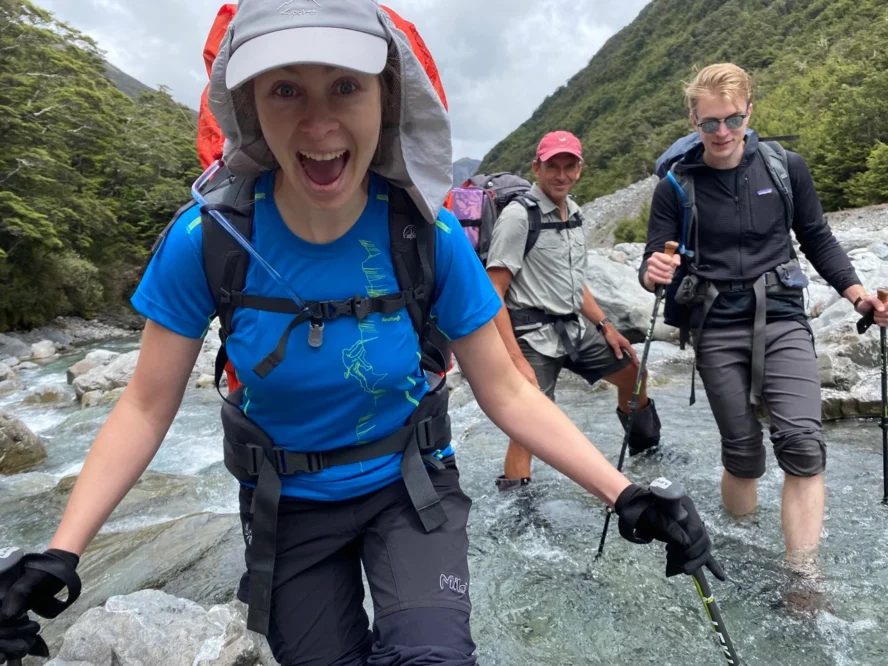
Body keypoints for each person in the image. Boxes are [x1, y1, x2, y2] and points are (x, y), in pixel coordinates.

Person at [0, 3, 723, 665]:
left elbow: (507, 389)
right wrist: (62, 552)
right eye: (285, 89)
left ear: (388, 97)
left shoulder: (428, 236)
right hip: (287, 506)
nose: (318, 125)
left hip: (410, 490)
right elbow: (145, 406)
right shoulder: (209, 240)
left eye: (346, 86)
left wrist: (623, 492)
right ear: (249, 103)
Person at [640, 62, 888, 571]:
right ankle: (744, 550)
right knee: (744, 451)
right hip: (714, 326)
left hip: (782, 317)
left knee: (801, 442)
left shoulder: (784, 167)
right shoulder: (675, 186)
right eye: (710, 123)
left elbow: (816, 236)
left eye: (733, 119)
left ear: (750, 111)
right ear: (693, 121)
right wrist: (654, 269)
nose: (723, 133)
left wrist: (859, 295)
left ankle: (804, 576)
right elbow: (651, 266)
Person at [485, 131, 663, 491]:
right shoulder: (519, 218)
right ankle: (516, 510)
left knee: (634, 375)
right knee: (530, 423)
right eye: (553, 166)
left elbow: (573, 281)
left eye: (569, 166)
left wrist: (605, 324)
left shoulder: (576, 214)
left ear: (580, 170)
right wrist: (515, 359)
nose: (561, 175)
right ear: (537, 167)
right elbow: (493, 293)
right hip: (531, 335)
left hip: (574, 329)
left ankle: (646, 454)